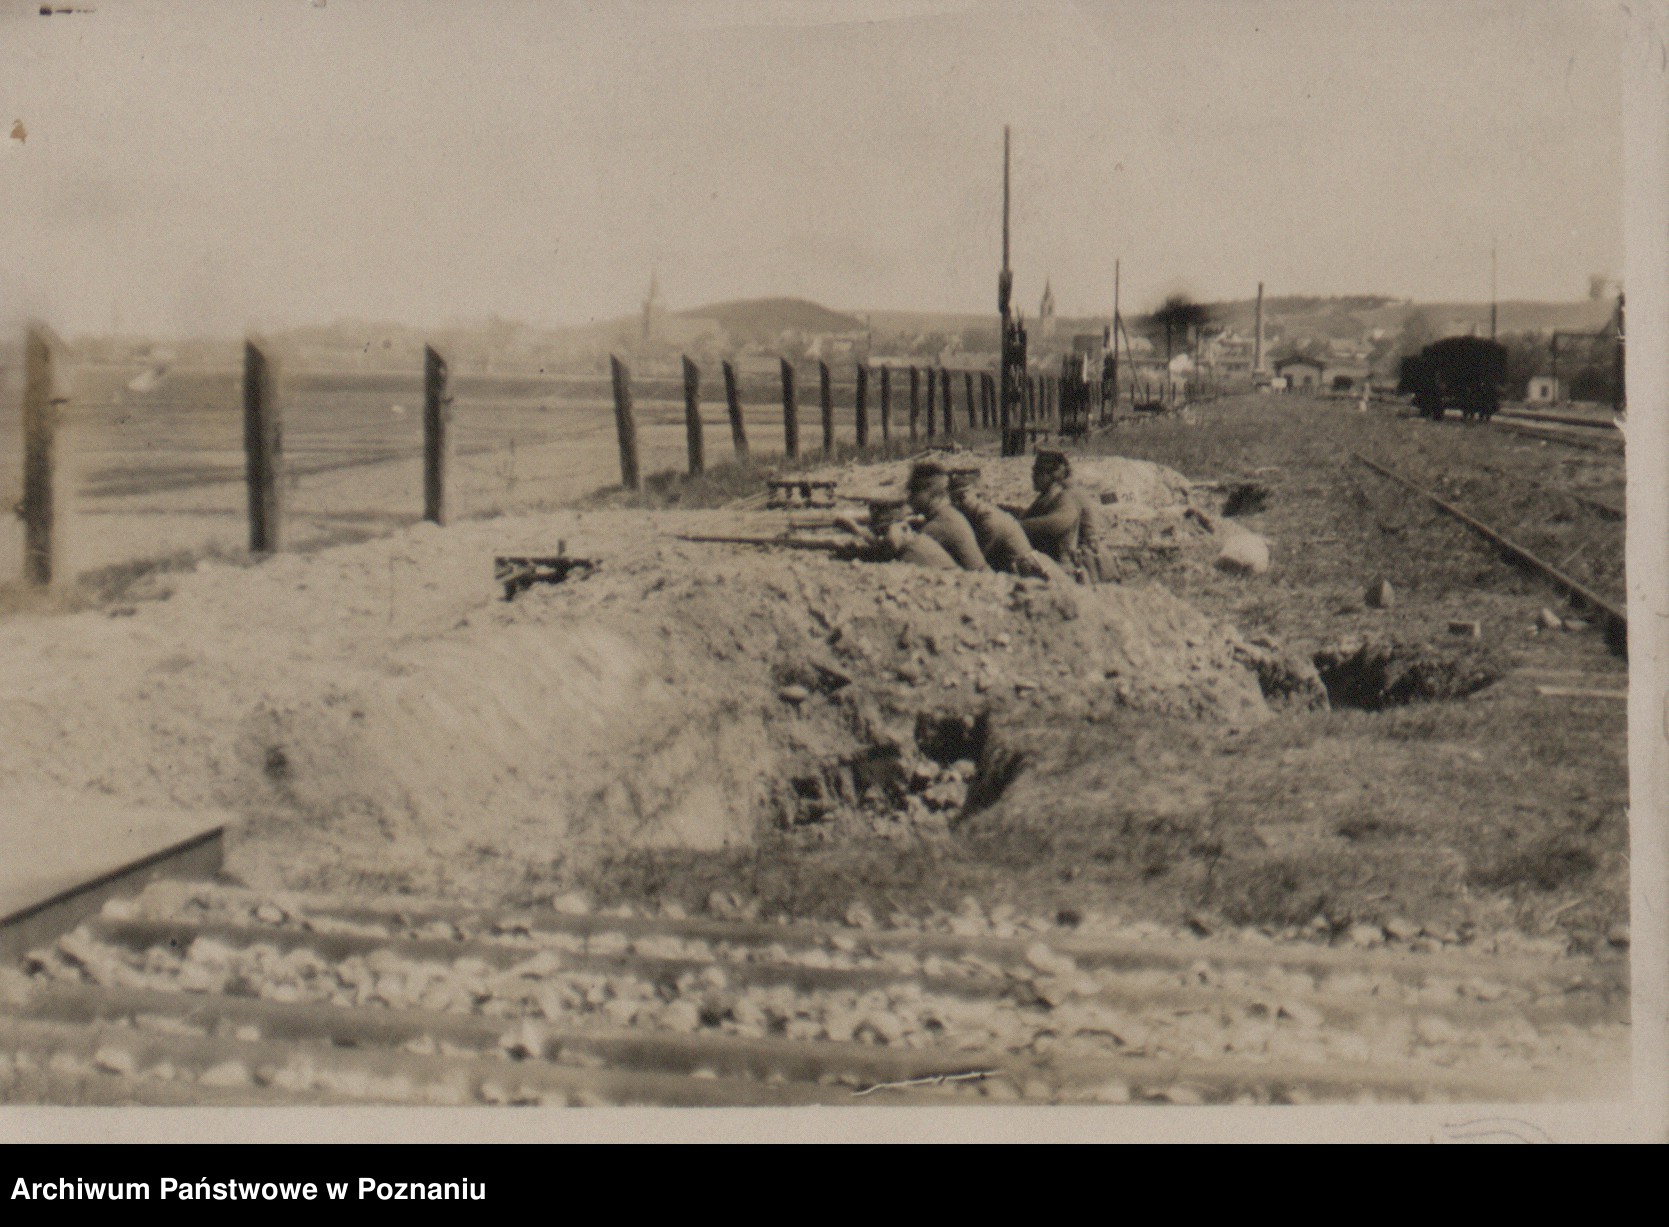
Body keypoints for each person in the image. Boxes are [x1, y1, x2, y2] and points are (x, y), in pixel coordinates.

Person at [947, 467, 1066, 581]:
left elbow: (977, 560)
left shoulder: (989, 520)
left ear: (978, 495)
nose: (958, 504)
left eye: (962, 498)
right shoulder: (980, 515)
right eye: (953, 500)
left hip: (1028, 572)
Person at [1018, 449, 1104, 583]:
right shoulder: (1052, 493)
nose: (1033, 477)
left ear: (1051, 475)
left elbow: (1057, 523)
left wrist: (1017, 526)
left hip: (1071, 563)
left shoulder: (1068, 495)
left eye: (1037, 472)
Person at [904, 461, 989, 572]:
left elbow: (907, 546)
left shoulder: (938, 525)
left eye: (914, 492)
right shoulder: (948, 513)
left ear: (929, 491)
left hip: (980, 583)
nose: (909, 498)